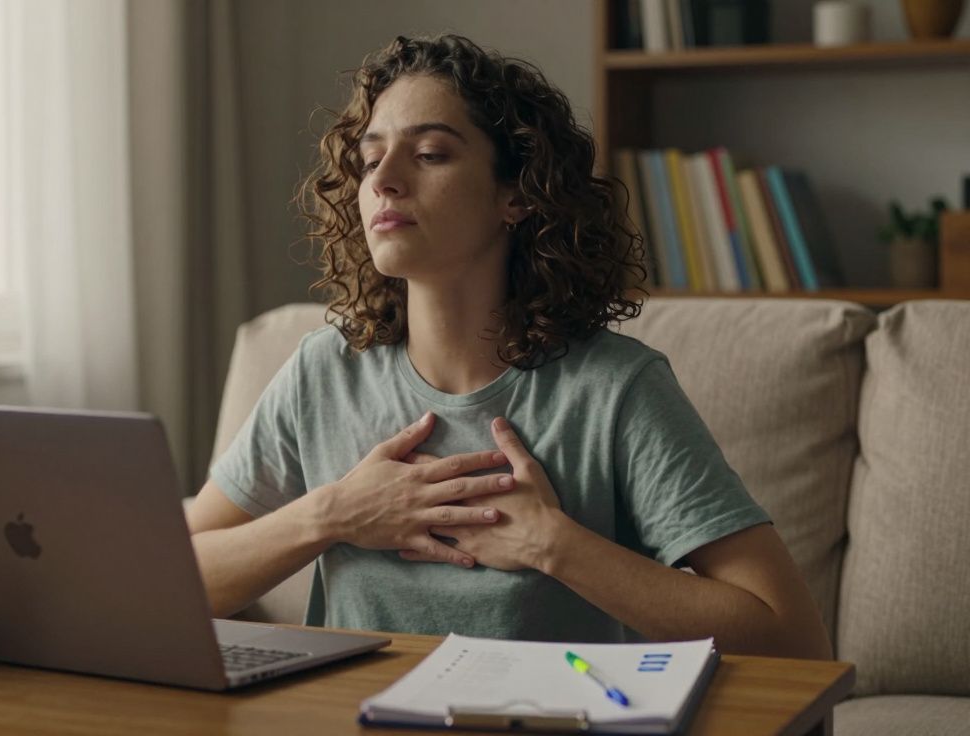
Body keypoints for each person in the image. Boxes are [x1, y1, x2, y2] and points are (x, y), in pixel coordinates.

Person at [187, 34, 831, 659]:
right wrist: (332, 513)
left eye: (431, 153)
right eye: (369, 157)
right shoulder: (322, 372)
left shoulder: (615, 389)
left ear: (517, 194)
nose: (383, 180)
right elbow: (174, 578)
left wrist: (553, 544)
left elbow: (793, 639)